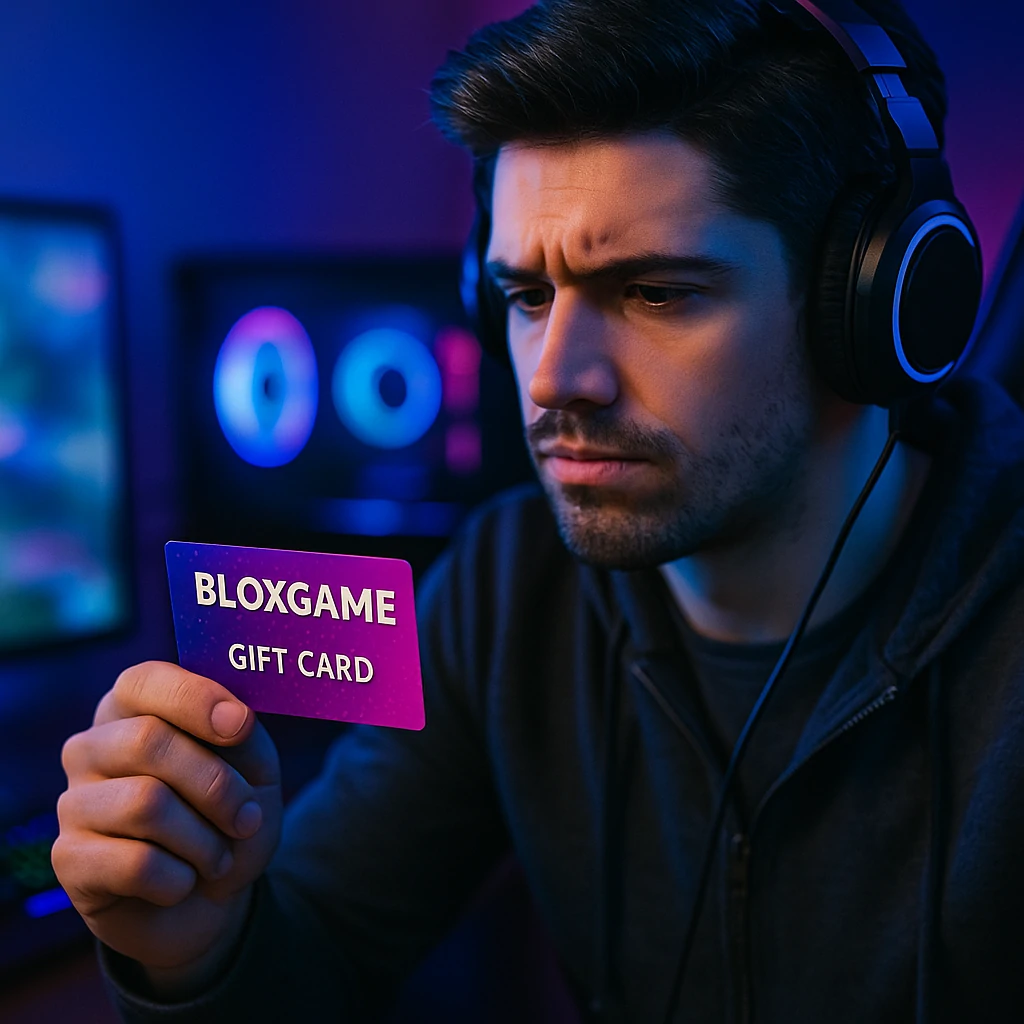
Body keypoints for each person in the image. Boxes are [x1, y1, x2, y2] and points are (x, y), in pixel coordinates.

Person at [52, 1, 1024, 1021]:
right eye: (524, 296)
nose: (555, 378)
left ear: (873, 303)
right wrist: (197, 946)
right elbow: (319, 952)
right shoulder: (506, 588)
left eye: (651, 292)